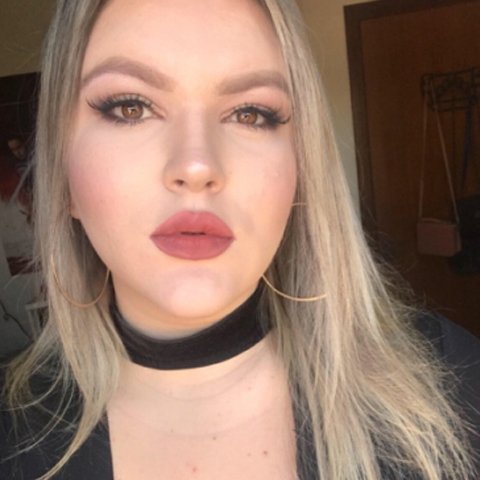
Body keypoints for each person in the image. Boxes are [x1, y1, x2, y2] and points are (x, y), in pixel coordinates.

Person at [1, 0, 479, 479]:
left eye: (251, 114)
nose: (197, 166)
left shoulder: (452, 380)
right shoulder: (12, 437)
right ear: (63, 173)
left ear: (301, 166)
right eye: (131, 107)